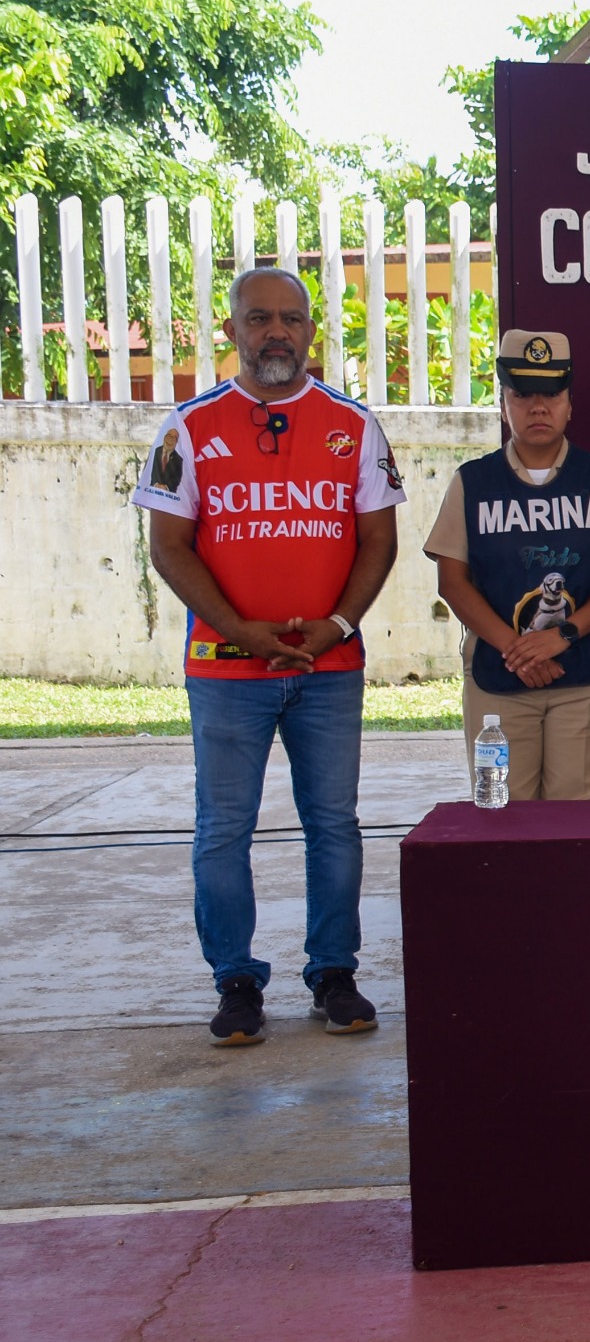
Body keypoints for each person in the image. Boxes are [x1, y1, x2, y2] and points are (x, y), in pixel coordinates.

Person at [131, 267, 405, 1047]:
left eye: (290, 319)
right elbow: (169, 548)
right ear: (232, 330)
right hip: (226, 669)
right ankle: (237, 981)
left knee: (335, 825)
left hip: (328, 667)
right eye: (259, 319)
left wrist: (339, 624)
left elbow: (378, 540)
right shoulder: (187, 427)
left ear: (312, 331)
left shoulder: (354, 425)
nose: (275, 333)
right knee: (223, 828)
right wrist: (243, 630)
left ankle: (334, 974)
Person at [424, 331, 590, 800]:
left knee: (576, 822)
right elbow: (453, 581)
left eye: (552, 394)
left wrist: (560, 636)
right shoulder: (473, 482)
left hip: (581, 675)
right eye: (522, 395)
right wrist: (517, 648)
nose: (538, 407)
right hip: (498, 677)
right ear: (503, 403)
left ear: (570, 404)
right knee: (503, 817)